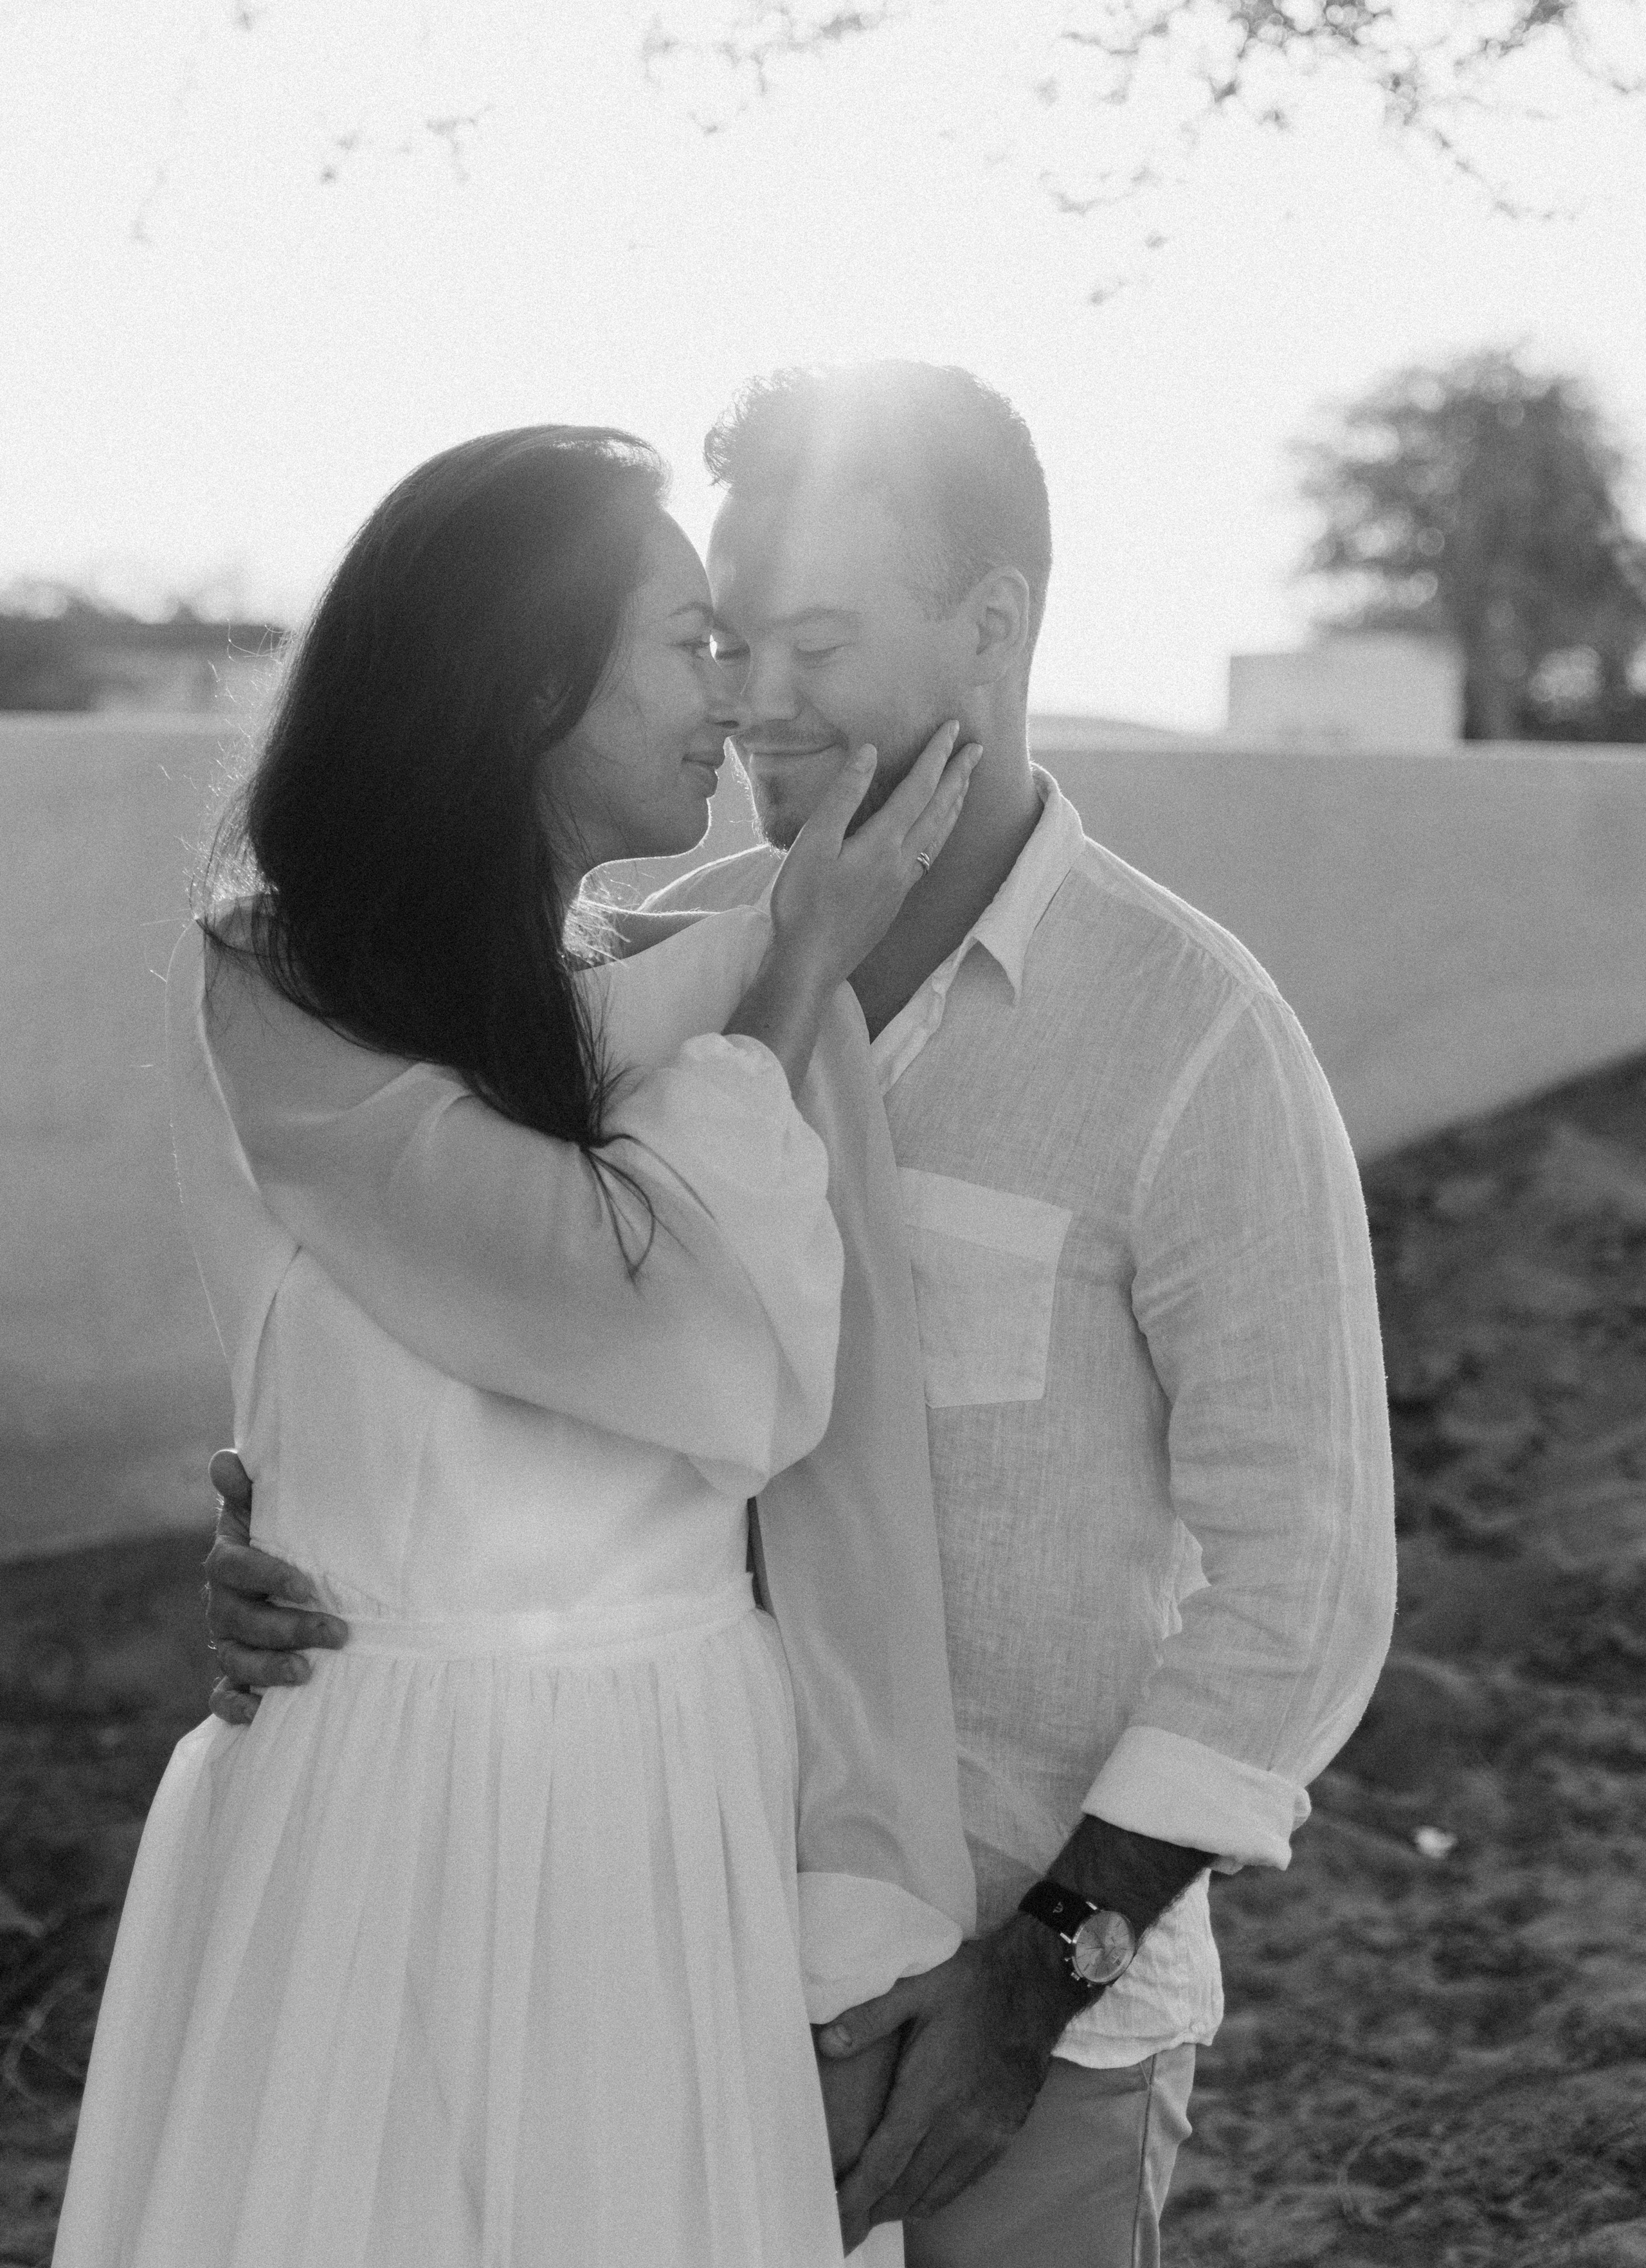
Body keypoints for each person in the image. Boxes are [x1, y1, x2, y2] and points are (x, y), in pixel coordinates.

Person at [205, 364, 1399, 2267]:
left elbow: (1303, 1589)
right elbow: (520, 1345)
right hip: (637, 1977)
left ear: (994, 627)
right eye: (727, 641)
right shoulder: (633, 978)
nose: (756, 698)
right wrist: (299, 1537)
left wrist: (1040, 1979)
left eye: (820, 642)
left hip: (1018, 2040)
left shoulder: (1195, 1042)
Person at [53, 424, 982, 2268]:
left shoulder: (708, 970)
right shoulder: (285, 984)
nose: (733, 696)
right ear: (528, 679)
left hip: (670, 1796)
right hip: (389, 1792)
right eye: (692, 644)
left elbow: (830, 1447)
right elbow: (660, 1329)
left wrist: (871, 1879)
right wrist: (797, 985)